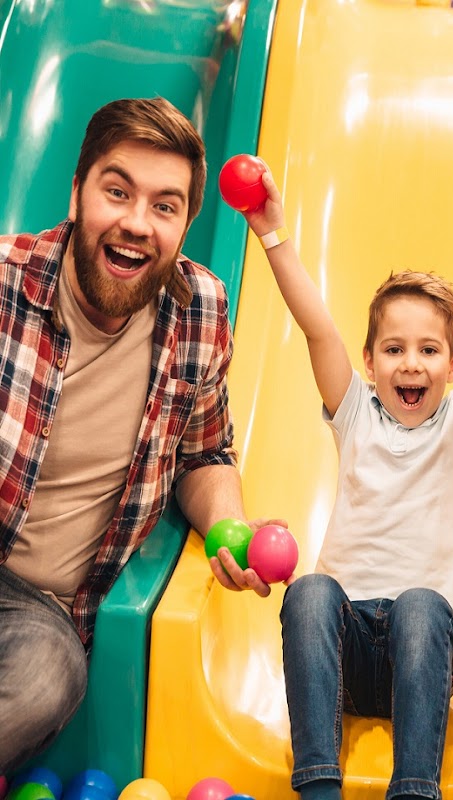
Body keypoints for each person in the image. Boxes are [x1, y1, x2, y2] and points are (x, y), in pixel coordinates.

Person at [209, 160, 453, 800]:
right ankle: (317, 785)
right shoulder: (355, 415)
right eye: (393, 349)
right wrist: (272, 234)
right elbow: (317, 326)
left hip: (425, 655)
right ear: (368, 362)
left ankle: (414, 789)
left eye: (429, 350)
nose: (411, 363)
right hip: (347, 654)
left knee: (424, 604)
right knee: (310, 590)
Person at [0, 97, 272, 773]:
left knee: (46, 677)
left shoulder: (200, 313)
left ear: (186, 223)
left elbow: (205, 451)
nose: (135, 223)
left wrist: (227, 528)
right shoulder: (7, 282)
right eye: (117, 192)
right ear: (77, 192)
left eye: (164, 205)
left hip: (40, 613)